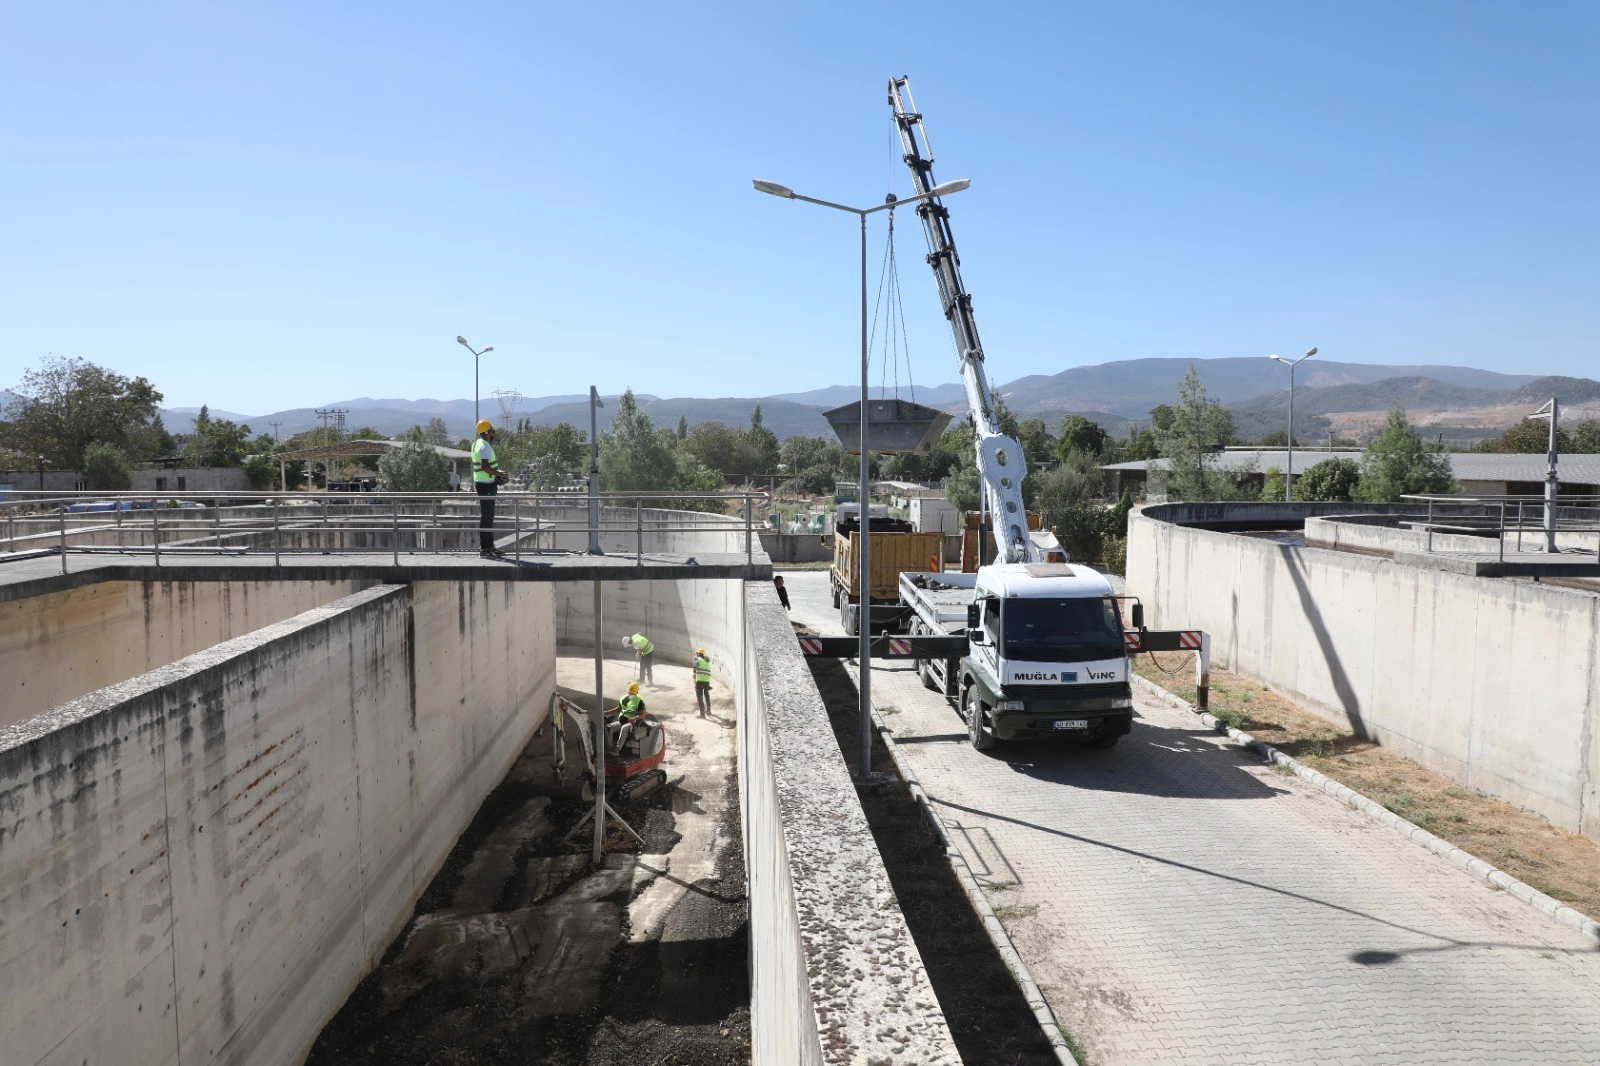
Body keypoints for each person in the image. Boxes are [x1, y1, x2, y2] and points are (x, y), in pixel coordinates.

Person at [472, 419, 508, 558]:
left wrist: (498, 473)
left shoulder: (476, 444)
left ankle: (489, 547)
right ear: (486, 432)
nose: (493, 433)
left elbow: (485, 467)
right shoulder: (485, 446)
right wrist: (500, 474)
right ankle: (485, 549)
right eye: (492, 431)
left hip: (482, 483)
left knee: (487, 517)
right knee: (487, 517)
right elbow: (485, 467)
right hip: (486, 485)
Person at [610, 682, 647, 749]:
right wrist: (607, 712)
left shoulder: (639, 701)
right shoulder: (625, 699)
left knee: (624, 728)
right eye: (630, 693)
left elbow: (642, 715)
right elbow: (618, 709)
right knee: (609, 728)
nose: (630, 694)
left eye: (632, 693)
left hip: (633, 723)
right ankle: (609, 748)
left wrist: (635, 718)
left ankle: (617, 750)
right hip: (623, 720)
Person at [693, 647, 712, 716]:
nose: (696, 654)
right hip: (707, 681)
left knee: (699, 696)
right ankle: (709, 710)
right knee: (706, 695)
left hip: (700, 680)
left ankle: (702, 713)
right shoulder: (706, 661)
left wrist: (694, 674)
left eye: (697, 653)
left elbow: (695, 667)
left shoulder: (697, 659)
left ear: (698, 653)